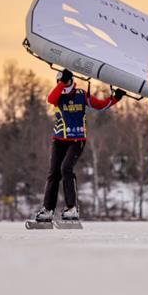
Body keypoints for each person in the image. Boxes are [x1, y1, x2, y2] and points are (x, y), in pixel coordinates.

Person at [34, 68, 124, 223]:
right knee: (54, 173)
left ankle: (72, 208)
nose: (62, 84)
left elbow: (100, 105)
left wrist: (115, 98)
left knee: (66, 169)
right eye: (60, 82)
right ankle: (48, 209)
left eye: (65, 81)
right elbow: (50, 98)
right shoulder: (57, 96)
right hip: (59, 140)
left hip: (76, 141)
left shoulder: (81, 95)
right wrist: (62, 82)